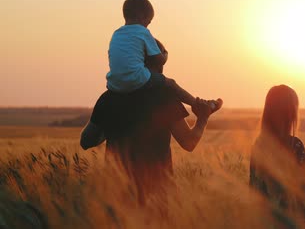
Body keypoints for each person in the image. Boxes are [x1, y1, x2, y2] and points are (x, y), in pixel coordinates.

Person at [80, 37, 222, 205]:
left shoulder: (108, 97)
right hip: (156, 194)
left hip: (116, 195)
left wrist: (113, 126)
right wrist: (203, 119)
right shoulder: (164, 97)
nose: (162, 71)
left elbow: (86, 141)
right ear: (141, 64)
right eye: (158, 65)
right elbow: (189, 143)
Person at [106, 0, 219, 109]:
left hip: (114, 84)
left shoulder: (116, 34)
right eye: (148, 22)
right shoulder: (142, 32)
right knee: (171, 84)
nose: (147, 26)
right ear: (142, 17)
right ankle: (198, 105)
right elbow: (159, 60)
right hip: (137, 78)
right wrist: (165, 54)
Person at [249, 85, 305, 226]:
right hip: (292, 219)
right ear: (291, 113)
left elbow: (254, 188)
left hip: (263, 219)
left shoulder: (259, 145)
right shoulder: (295, 145)